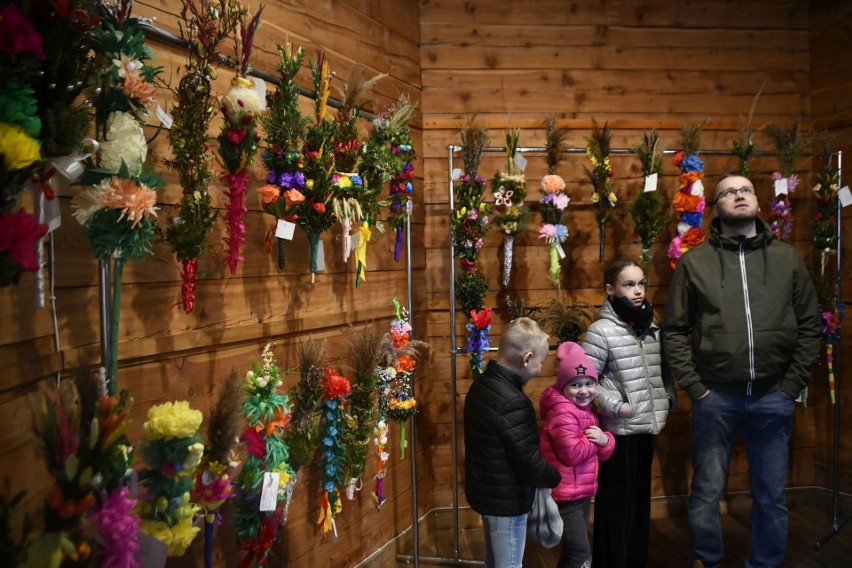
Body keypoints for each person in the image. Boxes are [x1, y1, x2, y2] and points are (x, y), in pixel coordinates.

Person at [662, 172, 822, 568]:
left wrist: (791, 385)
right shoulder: (694, 263)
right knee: (706, 490)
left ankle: (765, 564)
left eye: (746, 190)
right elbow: (674, 330)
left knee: (770, 494)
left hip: (774, 396)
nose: (739, 195)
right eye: (729, 192)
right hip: (715, 398)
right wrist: (696, 388)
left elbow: (809, 324)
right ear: (715, 207)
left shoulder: (786, 259)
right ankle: (707, 560)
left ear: (756, 201)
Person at [582, 259, 675, 568]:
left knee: (638, 505)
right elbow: (586, 384)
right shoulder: (601, 331)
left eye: (640, 283)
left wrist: (667, 399)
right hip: (618, 432)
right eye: (629, 284)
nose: (638, 291)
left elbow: (661, 373)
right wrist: (615, 405)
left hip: (646, 428)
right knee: (616, 506)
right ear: (610, 290)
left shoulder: (651, 327)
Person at [464, 317, 561, 568]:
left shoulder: (481, 385)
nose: (539, 370)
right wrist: (554, 476)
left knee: (495, 562)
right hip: (506, 502)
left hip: (487, 494)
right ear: (527, 359)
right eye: (539, 363)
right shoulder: (513, 402)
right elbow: (528, 462)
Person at [540, 341, 616, 568]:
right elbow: (572, 455)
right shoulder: (563, 413)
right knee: (582, 554)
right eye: (575, 384)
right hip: (566, 494)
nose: (584, 390)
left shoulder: (586, 412)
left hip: (580, 492)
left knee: (574, 550)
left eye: (589, 383)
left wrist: (606, 439)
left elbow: (600, 454)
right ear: (563, 386)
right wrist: (595, 439)